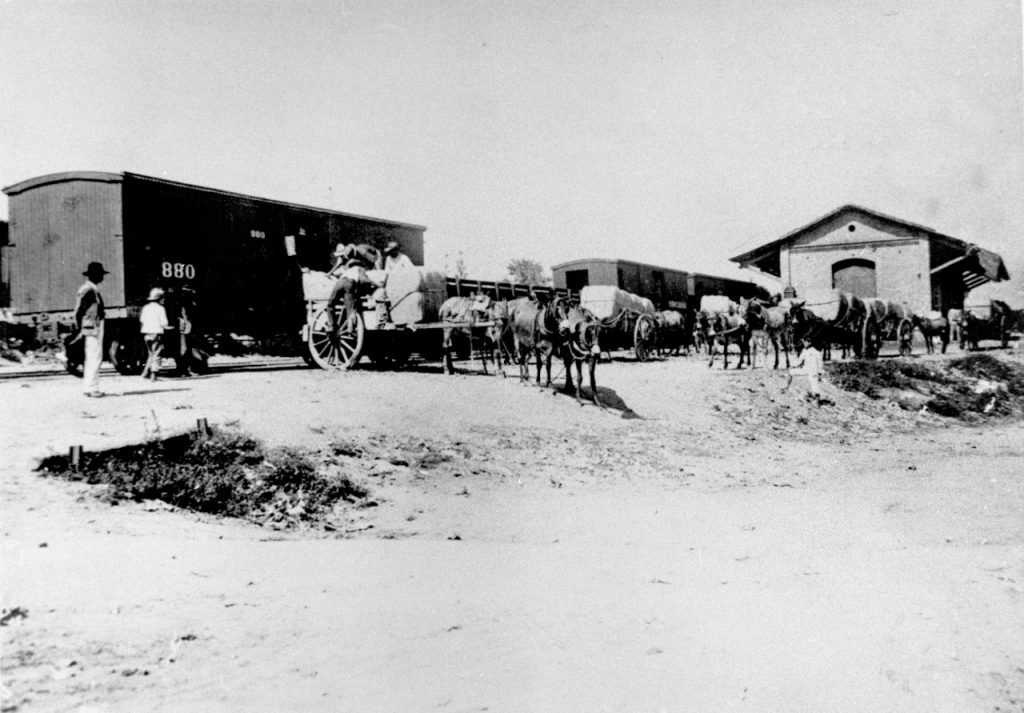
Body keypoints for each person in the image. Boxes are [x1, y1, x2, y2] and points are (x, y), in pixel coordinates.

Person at [75, 261, 108, 397]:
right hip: (93, 326)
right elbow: (78, 310)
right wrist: (80, 327)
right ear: (95, 275)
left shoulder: (91, 289)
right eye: (100, 274)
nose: (102, 277)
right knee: (94, 357)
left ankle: (89, 387)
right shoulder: (88, 290)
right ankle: (92, 388)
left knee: (93, 357)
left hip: (93, 325)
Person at [139, 287, 170, 381]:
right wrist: (168, 327)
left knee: (151, 354)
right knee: (157, 354)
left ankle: (144, 373)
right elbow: (164, 322)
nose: (164, 300)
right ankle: (153, 375)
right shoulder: (160, 308)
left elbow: (142, 320)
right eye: (163, 298)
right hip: (157, 333)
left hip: (146, 334)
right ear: (159, 298)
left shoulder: (145, 308)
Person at [783, 337, 825, 405]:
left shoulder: (817, 352)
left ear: (810, 342)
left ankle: (817, 401)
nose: (804, 344)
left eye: (806, 342)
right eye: (804, 342)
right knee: (790, 372)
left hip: (813, 371)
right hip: (805, 369)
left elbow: (820, 363)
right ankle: (786, 387)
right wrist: (793, 366)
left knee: (815, 385)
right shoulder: (805, 351)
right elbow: (800, 360)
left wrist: (819, 373)